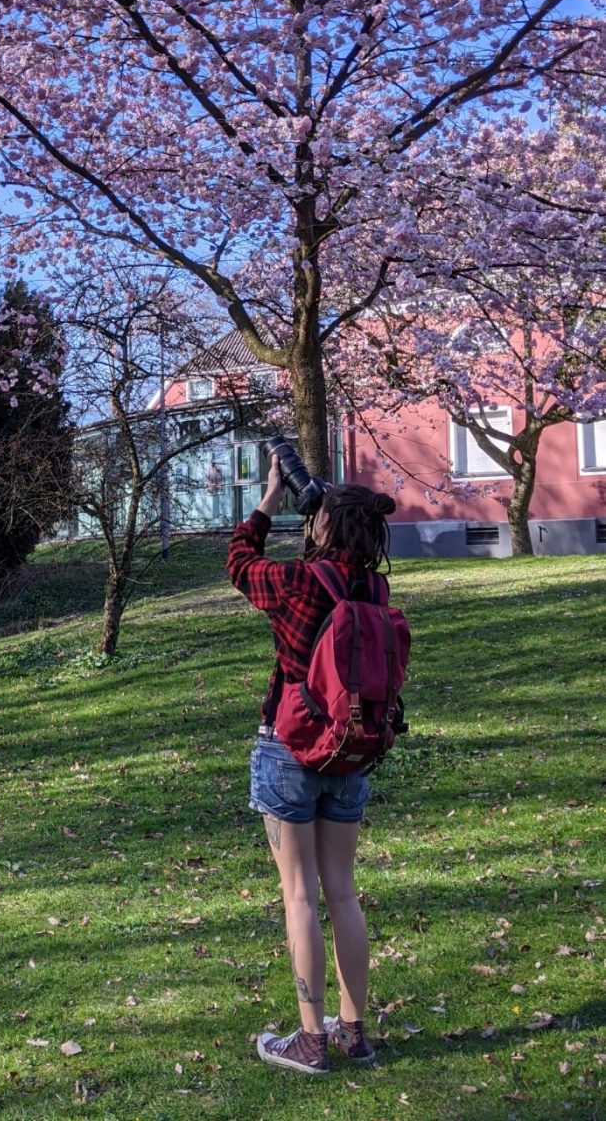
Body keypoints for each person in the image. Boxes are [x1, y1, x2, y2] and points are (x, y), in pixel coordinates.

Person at [226, 453, 397, 1076]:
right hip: (350, 751)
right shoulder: (374, 589)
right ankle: (355, 1033)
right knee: (343, 894)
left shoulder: (300, 585)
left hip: (290, 748)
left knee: (299, 897)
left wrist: (268, 501)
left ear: (321, 528)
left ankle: (309, 1040)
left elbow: (239, 564)